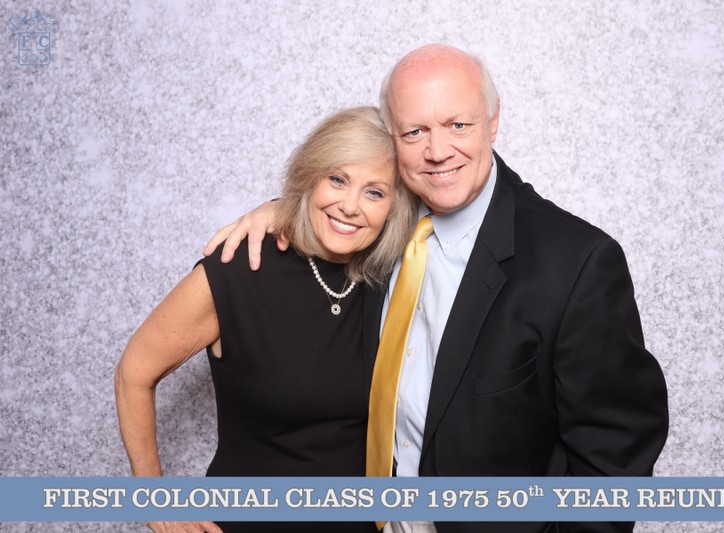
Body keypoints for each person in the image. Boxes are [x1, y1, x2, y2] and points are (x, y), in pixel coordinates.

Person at [206, 44, 669, 533]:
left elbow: (616, 453)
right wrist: (283, 209)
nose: (437, 150)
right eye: (415, 131)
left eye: (458, 125)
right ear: (393, 138)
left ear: (493, 121)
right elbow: (338, 198)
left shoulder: (576, 263)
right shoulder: (382, 227)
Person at [115, 106, 417, 533]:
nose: (350, 206)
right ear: (310, 176)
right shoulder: (241, 267)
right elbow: (133, 373)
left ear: (395, 206)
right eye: (337, 179)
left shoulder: (392, 279)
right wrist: (149, 498)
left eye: (375, 192)